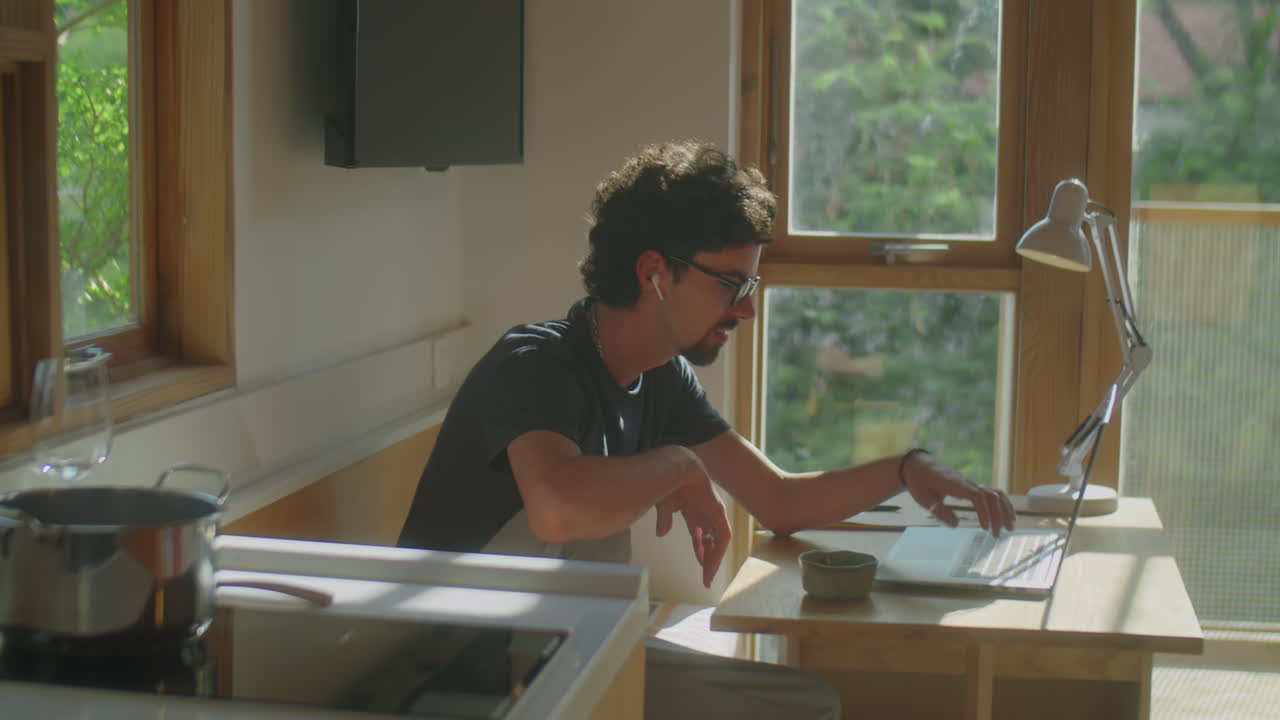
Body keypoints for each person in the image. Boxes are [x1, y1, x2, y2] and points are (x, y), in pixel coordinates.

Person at [397, 139, 1017, 719]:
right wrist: (678, 467)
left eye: (750, 285)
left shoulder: (661, 377)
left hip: (568, 653)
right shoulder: (535, 363)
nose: (747, 308)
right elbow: (558, 509)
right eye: (730, 284)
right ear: (654, 272)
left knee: (805, 706)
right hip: (453, 678)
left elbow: (779, 500)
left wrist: (907, 469)